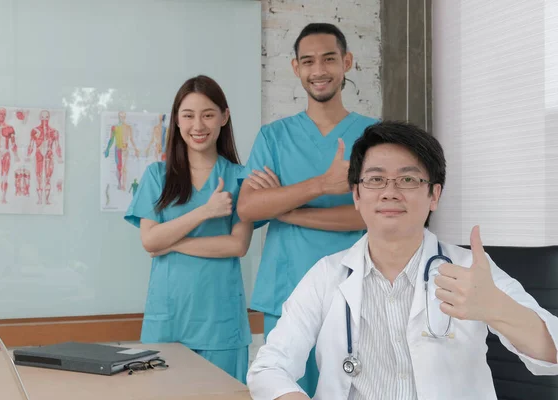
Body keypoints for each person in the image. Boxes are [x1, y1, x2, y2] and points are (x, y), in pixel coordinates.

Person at [247, 121, 558, 399]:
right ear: (356, 195)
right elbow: (268, 367)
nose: (390, 192)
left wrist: (497, 308)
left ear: (434, 195)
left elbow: (552, 353)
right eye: (375, 180)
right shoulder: (327, 274)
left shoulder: (470, 270)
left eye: (408, 181)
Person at [236, 22, 377, 396]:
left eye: (329, 59)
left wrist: (286, 207)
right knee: (285, 388)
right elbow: (249, 207)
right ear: (296, 68)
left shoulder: (375, 137)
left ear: (346, 62)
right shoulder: (274, 136)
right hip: (287, 287)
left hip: (359, 290)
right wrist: (323, 186)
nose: (319, 70)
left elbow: (371, 214)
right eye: (309, 61)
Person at [124, 75, 258, 383]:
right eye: (188, 115)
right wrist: (205, 212)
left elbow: (237, 246)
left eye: (208, 114)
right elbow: (149, 240)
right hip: (167, 322)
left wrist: (170, 243)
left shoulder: (241, 178)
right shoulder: (158, 176)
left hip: (221, 325)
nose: (198, 125)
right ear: (177, 120)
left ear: (224, 117)